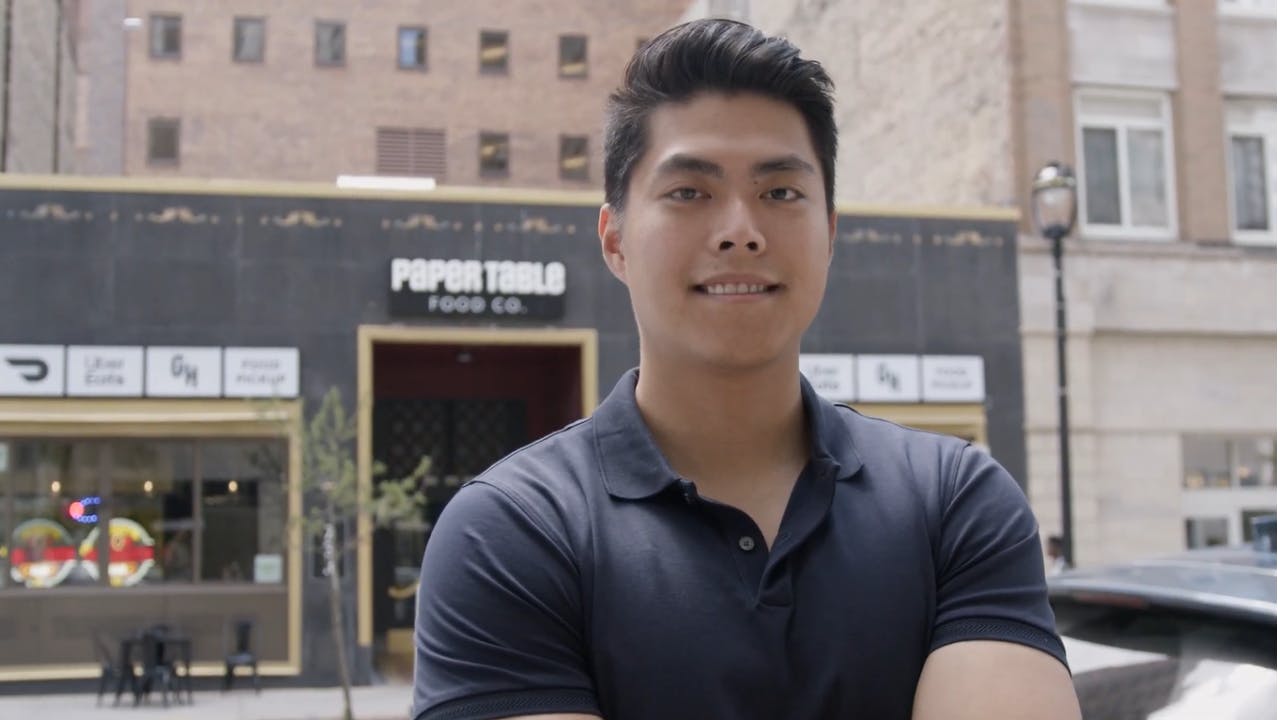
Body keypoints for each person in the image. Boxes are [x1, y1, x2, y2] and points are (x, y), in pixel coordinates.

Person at [412, 18, 1081, 720]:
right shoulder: (512, 533)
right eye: (689, 193)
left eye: (781, 193)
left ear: (830, 234)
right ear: (615, 240)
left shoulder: (955, 505)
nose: (741, 228)